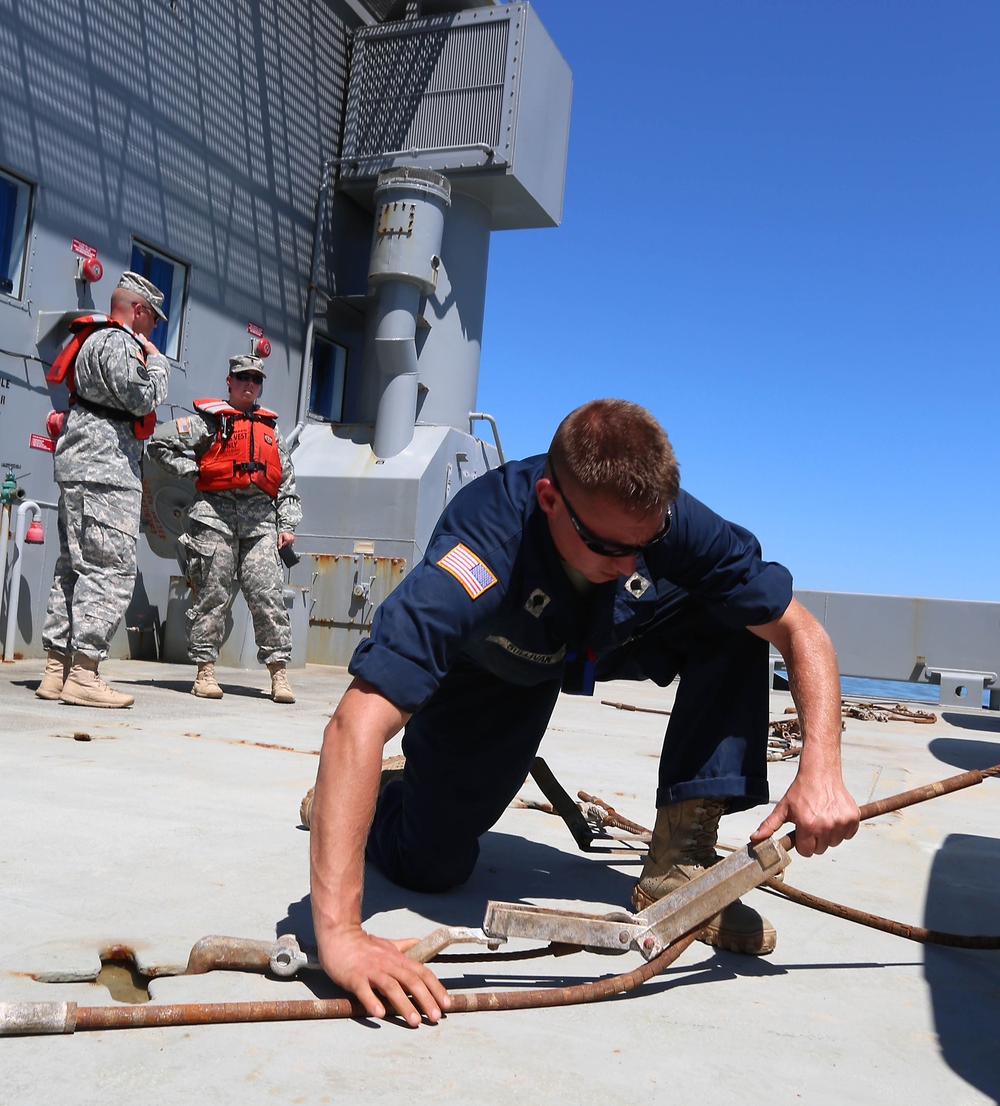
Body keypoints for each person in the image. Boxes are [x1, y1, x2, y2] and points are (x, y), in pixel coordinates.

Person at [306, 398, 861, 1028]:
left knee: (738, 619)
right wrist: (341, 936)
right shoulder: (481, 545)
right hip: (498, 671)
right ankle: (369, 798)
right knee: (430, 865)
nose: (628, 562)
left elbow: (800, 630)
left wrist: (822, 767)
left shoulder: (663, 523)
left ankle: (679, 856)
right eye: (605, 545)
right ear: (550, 500)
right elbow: (356, 721)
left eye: (644, 544)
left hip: (606, 636)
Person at [36, 271, 171, 708]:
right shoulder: (118, 343)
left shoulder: (93, 340)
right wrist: (157, 363)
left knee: (73, 568)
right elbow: (144, 397)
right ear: (139, 310)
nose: (153, 329)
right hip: (105, 473)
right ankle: (85, 673)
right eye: (153, 319)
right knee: (111, 571)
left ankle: (56, 671)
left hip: (81, 469)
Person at [146, 353, 302, 703]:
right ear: (229, 381)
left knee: (267, 595)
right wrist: (193, 471)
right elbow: (158, 443)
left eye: (256, 379)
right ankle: (205, 671)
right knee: (212, 594)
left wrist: (287, 524)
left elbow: (287, 484)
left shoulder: (270, 432)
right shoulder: (209, 423)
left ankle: (279, 675)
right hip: (214, 516)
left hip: (260, 520)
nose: (250, 384)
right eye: (243, 377)